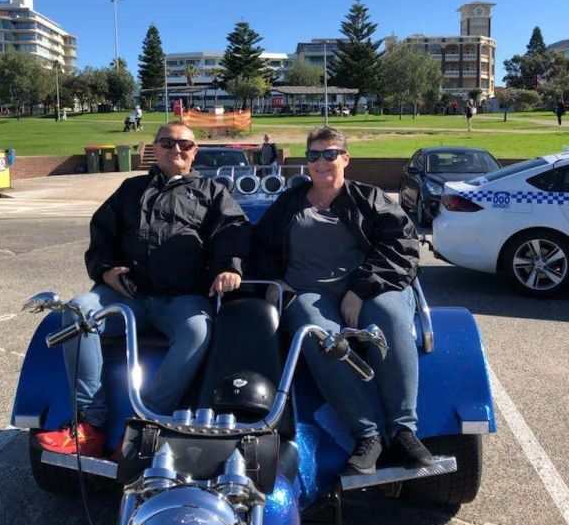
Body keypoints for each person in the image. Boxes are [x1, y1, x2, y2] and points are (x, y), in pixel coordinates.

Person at [36, 123, 250, 457]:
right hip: (127, 297)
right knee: (77, 311)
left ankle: (146, 420)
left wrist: (228, 267)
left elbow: (233, 235)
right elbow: (101, 236)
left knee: (197, 331)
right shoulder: (129, 190)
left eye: (184, 144)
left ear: (194, 152)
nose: (175, 149)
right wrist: (106, 270)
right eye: (167, 142)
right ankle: (89, 423)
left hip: (182, 298)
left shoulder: (213, 193)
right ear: (155, 148)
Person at [252, 126, 433, 475]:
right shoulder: (288, 204)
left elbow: (402, 246)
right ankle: (368, 435)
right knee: (316, 333)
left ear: (345, 158)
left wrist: (361, 289)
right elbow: (261, 247)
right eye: (314, 155)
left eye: (330, 154)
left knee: (391, 320)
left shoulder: (370, 198)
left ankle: (403, 430)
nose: (322, 162)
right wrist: (274, 283)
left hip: (372, 287)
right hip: (310, 293)